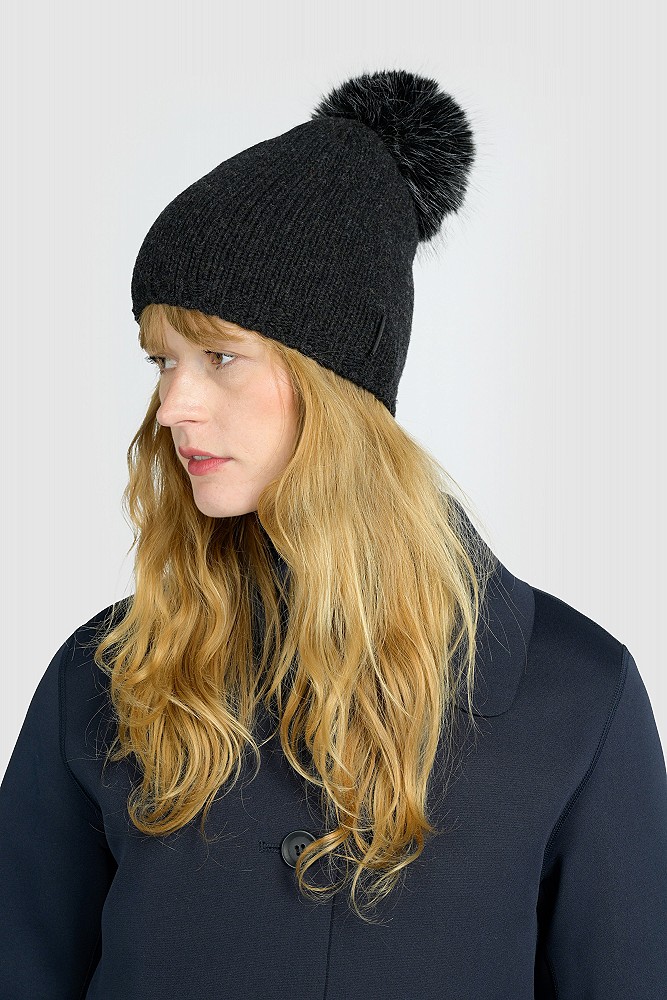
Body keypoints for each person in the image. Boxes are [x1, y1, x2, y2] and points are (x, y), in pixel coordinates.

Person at [0, 68, 665, 999]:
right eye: (161, 361)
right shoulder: (108, 674)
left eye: (219, 356)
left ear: (336, 383)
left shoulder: (574, 693)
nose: (172, 407)